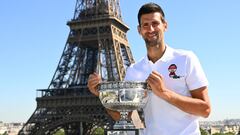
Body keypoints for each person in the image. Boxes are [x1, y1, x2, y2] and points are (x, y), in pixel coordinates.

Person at [88, 2, 211, 135]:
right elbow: (124, 116)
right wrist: (102, 94)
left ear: (165, 25)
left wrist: (164, 93)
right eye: (145, 25)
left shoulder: (186, 58)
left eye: (155, 23)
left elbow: (205, 110)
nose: (151, 29)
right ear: (139, 30)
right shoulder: (134, 70)